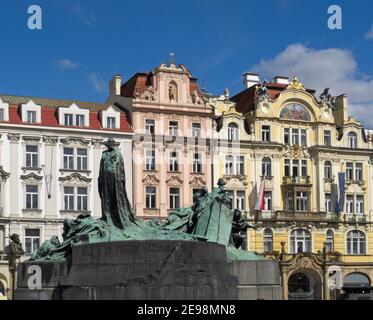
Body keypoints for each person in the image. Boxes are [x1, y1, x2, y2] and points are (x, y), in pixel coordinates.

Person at [98, 137, 137, 229]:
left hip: (115, 177)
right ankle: (107, 216)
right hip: (105, 177)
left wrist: (120, 180)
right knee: (106, 198)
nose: (110, 144)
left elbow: (120, 168)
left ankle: (117, 217)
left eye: (111, 143)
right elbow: (101, 167)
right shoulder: (104, 154)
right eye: (109, 143)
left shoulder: (118, 153)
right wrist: (100, 178)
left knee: (115, 197)